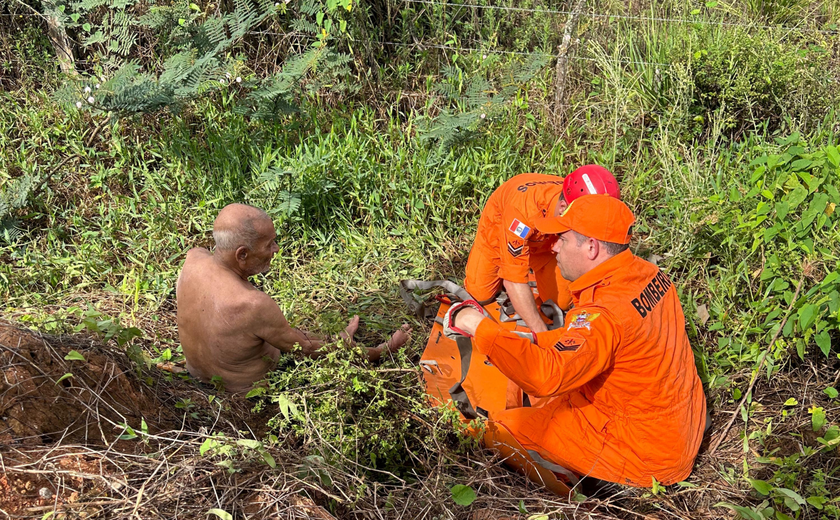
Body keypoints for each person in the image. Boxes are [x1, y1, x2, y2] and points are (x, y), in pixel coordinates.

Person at [446, 194, 706, 486]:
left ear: (592, 247)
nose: (554, 246)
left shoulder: (603, 315)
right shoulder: (650, 275)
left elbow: (546, 376)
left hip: (642, 452)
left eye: (563, 239)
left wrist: (475, 324)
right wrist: (530, 340)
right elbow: (605, 342)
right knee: (536, 380)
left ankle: (575, 482)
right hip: (678, 427)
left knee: (500, 428)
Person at [176, 203, 411, 394]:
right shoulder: (251, 304)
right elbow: (306, 349)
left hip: (196, 381)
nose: (276, 249)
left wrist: (333, 338)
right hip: (245, 395)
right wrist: (381, 351)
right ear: (242, 254)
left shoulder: (193, 260)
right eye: (269, 244)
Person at [464, 165, 620, 332]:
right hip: (499, 234)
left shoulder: (583, 202)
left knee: (561, 302)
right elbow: (513, 280)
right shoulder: (522, 211)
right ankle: (514, 265)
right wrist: (542, 334)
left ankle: (532, 268)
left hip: (547, 244)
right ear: (562, 208)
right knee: (480, 294)